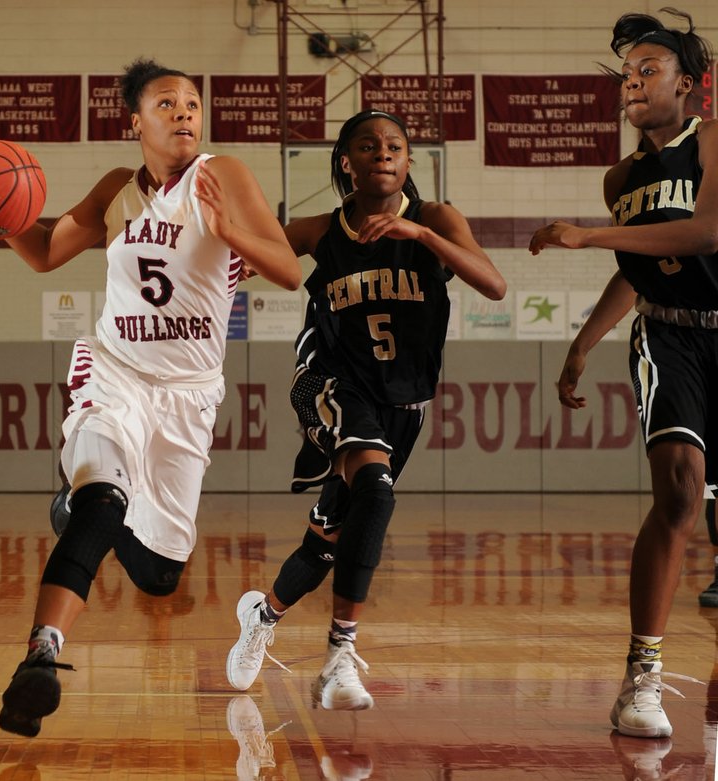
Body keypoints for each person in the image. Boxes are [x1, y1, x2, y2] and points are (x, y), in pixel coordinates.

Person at [0, 57, 300, 737]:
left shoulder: (225, 177)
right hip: (116, 374)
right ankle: (41, 654)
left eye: (191, 102)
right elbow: (44, 251)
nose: (184, 113)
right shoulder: (115, 190)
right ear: (134, 122)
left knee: (161, 576)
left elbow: (285, 270)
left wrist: (230, 234)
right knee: (106, 499)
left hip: (187, 396)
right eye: (166, 104)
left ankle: (75, 504)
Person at [225, 109, 506, 709]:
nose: (383, 152)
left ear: (408, 163)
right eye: (368, 145)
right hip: (329, 379)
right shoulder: (320, 231)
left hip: (403, 403)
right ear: (346, 162)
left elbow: (494, 284)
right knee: (376, 494)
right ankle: (339, 656)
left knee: (330, 538)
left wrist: (425, 239)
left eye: (396, 145)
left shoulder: (435, 218)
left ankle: (263, 614)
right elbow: (244, 259)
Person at [529, 8, 716, 738]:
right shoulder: (621, 177)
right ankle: (643, 675)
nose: (634, 82)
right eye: (628, 73)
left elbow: (705, 233)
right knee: (678, 492)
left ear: (690, 86)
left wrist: (583, 233)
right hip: (668, 335)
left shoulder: (713, 141)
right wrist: (584, 340)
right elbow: (635, 271)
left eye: (650, 70)